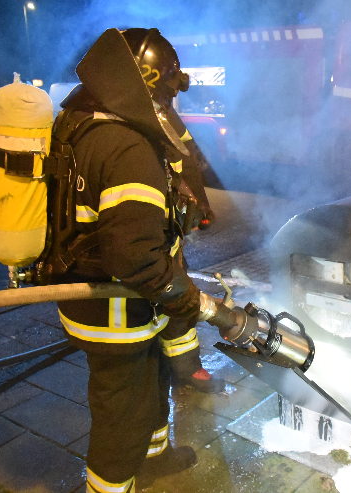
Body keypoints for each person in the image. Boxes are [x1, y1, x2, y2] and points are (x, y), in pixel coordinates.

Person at [54, 28, 219, 491]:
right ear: (147, 86)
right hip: (116, 311)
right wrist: (195, 305)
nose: (169, 109)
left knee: (151, 387)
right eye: (165, 97)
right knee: (121, 416)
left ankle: (154, 460)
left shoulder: (81, 119)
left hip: (118, 308)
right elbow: (137, 259)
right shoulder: (128, 147)